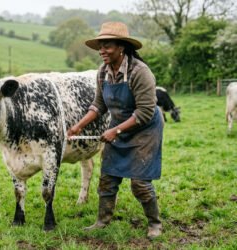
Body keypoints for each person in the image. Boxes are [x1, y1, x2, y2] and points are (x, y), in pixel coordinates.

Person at [67, 22, 164, 239]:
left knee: (139, 183)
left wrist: (115, 131)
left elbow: (145, 112)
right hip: (119, 126)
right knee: (108, 177)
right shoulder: (103, 72)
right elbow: (98, 105)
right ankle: (102, 221)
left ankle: (155, 223)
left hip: (145, 130)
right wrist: (78, 125)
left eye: (107, 46)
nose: (102, 51)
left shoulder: (140, 72)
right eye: (100, 46)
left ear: (121, 47)